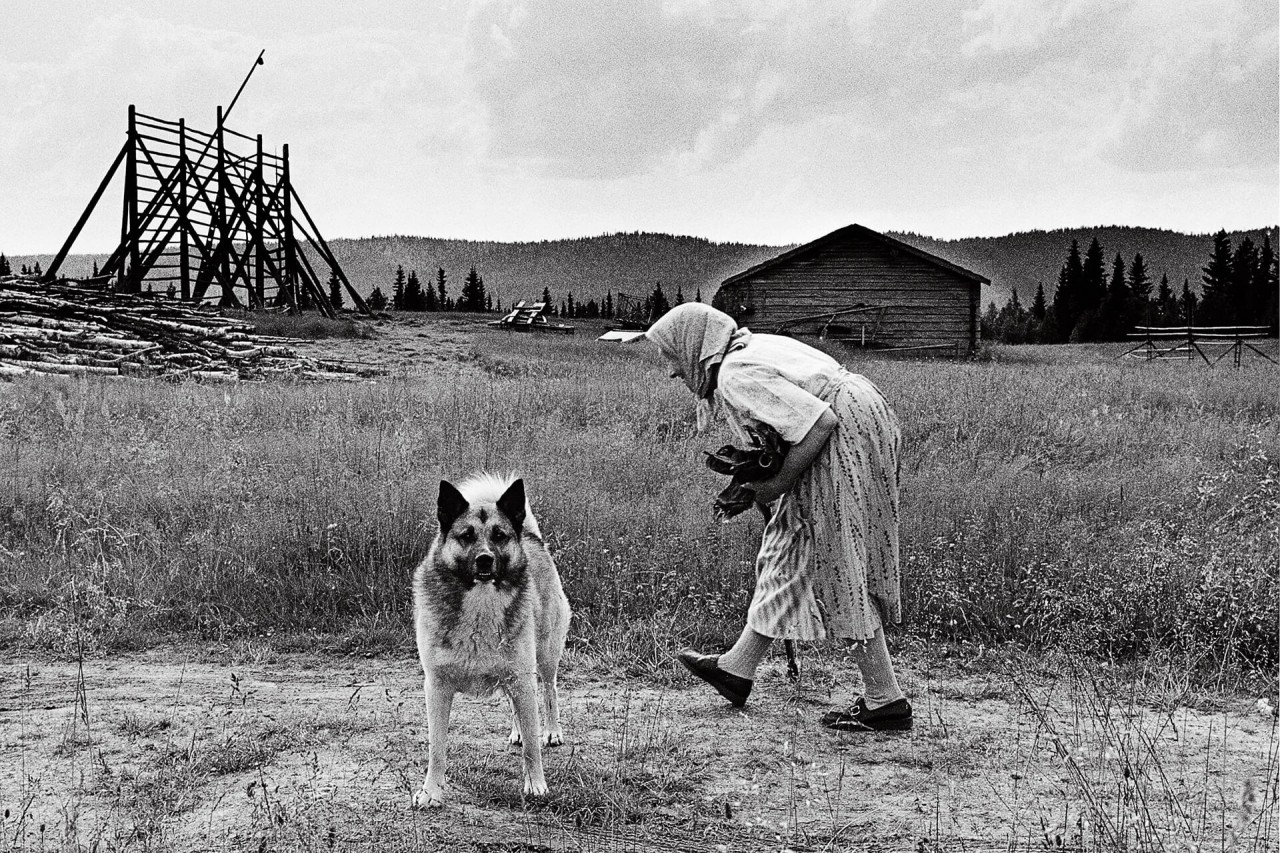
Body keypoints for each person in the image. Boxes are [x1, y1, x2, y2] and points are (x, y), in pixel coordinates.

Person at [644, 303, 911, 731]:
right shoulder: (749, 348)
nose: (673, 372)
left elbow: (819, 422)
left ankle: (884, 699)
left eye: (673, 357)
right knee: (790, 540)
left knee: (836, 556)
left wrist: (773, 484)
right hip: (861, 418)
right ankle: (737, 668)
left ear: (694, 345)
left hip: (842, 430)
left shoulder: (735, 374)